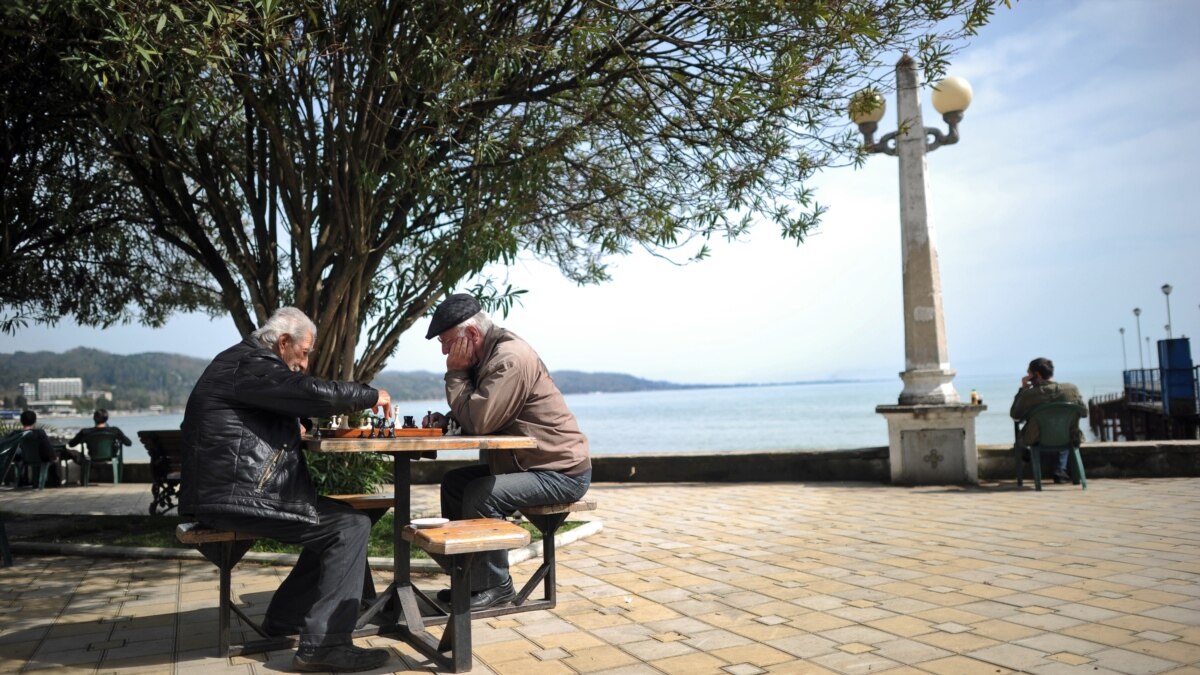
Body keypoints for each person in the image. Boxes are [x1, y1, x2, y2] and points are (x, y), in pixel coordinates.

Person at [179, 307, 393, 673]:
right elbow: (311, 393)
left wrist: (292, 424)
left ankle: (283, 621)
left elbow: (269, 409)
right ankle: (324, 645)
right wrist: (369, 395)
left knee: (341, 521)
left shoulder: (241, 362)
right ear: (283, 342)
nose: (306, 362)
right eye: (305, 352)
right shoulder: (251, 363)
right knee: (349, 527)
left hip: (228, 492)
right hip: (233, 497)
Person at [422, 293, 591, 610]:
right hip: (527, 464)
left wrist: (455, 374)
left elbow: (482, 421)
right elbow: (478, 412)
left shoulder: (508, 359)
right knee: (455, 484)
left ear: (471, 335)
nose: (445, 351)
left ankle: (497, 586)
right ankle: (470, 580)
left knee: (483, 494)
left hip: (560, 471)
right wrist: (450, 419)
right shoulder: (485, 354)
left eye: (447, 342)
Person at [1010, 357, 1087, 484]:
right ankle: (1060, 471)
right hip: (1067, 437)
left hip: (1037, 439)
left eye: (1029, 373)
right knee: (1064, 430)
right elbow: (1084, 412)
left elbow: (1015, 415)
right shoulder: (1071, 389)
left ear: (1036, 375)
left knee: (1020, 442)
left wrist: (1023, 389)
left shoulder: (1028, 395)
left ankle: (1031, 458)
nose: (1027, 376)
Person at [66, 409, 130, 479]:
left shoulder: (85, 432)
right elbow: (128, 443)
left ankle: (84, 480)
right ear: (107, 418)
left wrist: (82, 439)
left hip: (92, 456)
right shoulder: (115, 430)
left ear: (94, 418)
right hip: (110, 456)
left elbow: (71, 444)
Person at [5, 410, 57, 487]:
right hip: (40, 458)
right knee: (47, 459)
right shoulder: (39, 433)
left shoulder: (16, 433)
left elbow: (7, 443)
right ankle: (41, 484)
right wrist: (54, 457)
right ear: (34, 421)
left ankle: (22, 481)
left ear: (21, 420)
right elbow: (47, 447)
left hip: (24, 458)